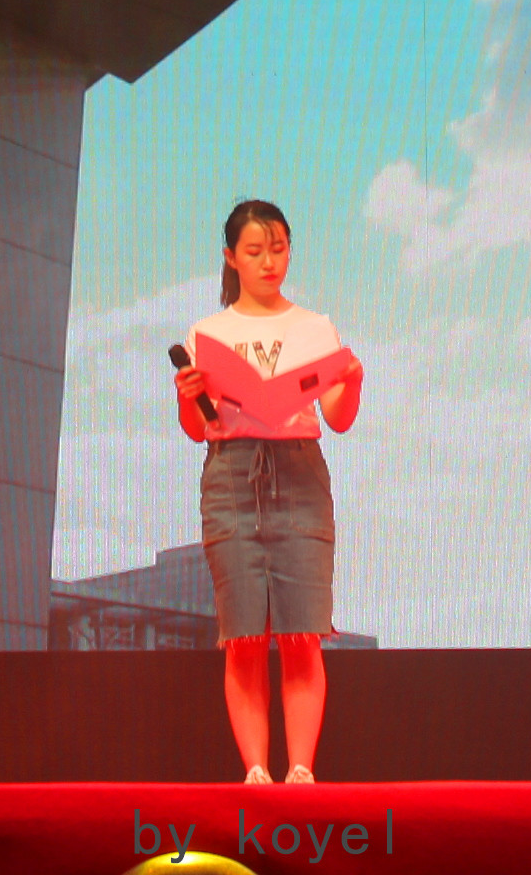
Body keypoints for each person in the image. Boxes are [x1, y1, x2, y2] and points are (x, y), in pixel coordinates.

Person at [172, 199, 364, 785]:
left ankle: (301, 768)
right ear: (231, 257)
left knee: (303, 632)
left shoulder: (313, 327)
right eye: (254, 251)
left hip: (299, 472)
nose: (269, 261)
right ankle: (256, 770)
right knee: (244, 636)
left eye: (278, 249)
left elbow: (339, 418)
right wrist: (187, 394)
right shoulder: (209, 332)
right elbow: (195, 428)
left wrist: (353, 381)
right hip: (232, 474)